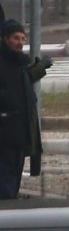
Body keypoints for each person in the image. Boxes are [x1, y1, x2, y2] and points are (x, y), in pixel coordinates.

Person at [0, 21, 48, 199]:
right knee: (5, 189)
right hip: (4, 140)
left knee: (12, 187)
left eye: (22, 38)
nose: (20, 42)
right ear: (5, 39)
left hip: (20, 139)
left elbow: (25, 80)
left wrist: (40, 68)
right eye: (15, 38)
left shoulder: (20, 64)